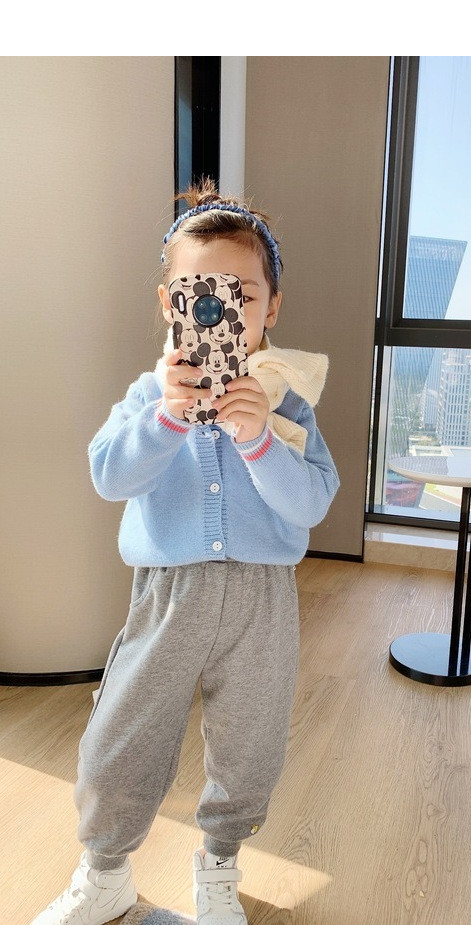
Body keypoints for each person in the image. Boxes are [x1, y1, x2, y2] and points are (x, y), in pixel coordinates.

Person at [32, 179, 340, 925]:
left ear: (271, 308)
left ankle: (220, 865)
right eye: (199, 293)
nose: (219, 309)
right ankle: (105, 871)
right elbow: (110, 476)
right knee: (121, 738)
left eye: (243, 293)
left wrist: (260, 440)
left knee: (251, 745)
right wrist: (167, 418)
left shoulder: (286, 400)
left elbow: (310, 503)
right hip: (166, 594)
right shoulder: (149, 395)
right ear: (170, 303)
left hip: (262, 602)